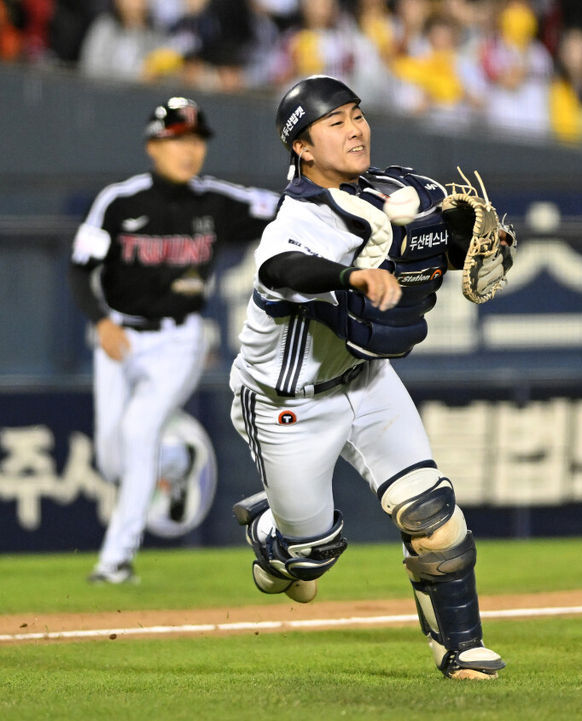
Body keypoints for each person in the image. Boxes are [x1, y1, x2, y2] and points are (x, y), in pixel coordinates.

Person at [228, 75, 507, 680]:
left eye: (357, 115)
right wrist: (351, 278)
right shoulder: (296, 218)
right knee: (309, 563)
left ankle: (460, 650)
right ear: (301, 146)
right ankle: (280, 537)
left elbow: (429, 249)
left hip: (367, 380)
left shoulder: (392, 189)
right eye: (336, 122)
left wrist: (474, 247)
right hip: (287, 404)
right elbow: (283, 267)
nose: (355, 129)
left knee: (431, 512)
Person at [70, 96, 279, 584]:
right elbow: (81, 269)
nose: (189, 150)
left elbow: (285, 208)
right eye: (177, 140)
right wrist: (101, 320)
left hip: (178, 340)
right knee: (110, 456)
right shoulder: (119, 201)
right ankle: (177, 458)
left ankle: (114, 562)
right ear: (153, 146)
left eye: (196, 140)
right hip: (118, 332)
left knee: (140, 428)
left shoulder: (216, 202)